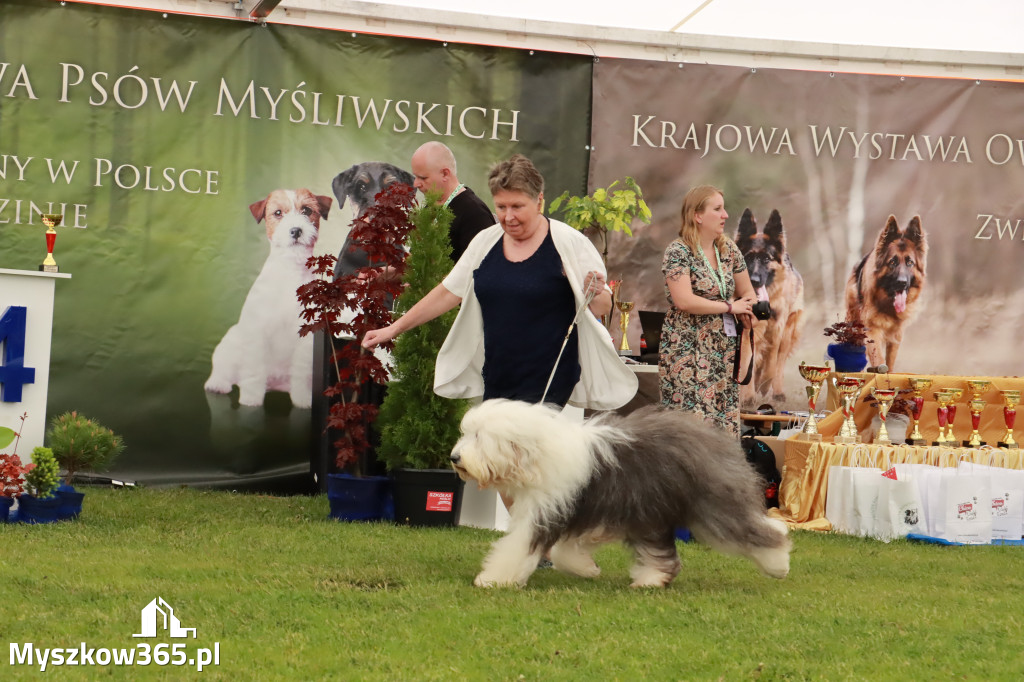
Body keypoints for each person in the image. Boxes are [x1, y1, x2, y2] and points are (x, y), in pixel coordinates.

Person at [362, 153, 637, 411]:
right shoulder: (485, 242)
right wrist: (393, 329)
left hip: (551, 381)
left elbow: (601, 307)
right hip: (496, 376)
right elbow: (448, 292)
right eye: (501, 207)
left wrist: (592, 291)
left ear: (539, 200)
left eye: (517, 206)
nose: (508, 216)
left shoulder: (569, 242)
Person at [660, 185, 757, 437]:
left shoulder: (728, 250)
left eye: (724, 208)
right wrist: (729, 306)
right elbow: (684, 301)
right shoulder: (678, 251)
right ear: (698, 216)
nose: (725, 215)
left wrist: (747, 309)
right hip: (687, 346)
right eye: (717, 209)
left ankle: (722, 475)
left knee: (723, 420)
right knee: (690, 425)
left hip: (723, 347)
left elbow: (748, 293)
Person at [410, 141, 496, 262]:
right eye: (415, 176)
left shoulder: (475, 214)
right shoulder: (429, 207)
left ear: (445, 174)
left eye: (423, 178)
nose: (416, 184)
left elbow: (477, 271)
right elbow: (415, 263)